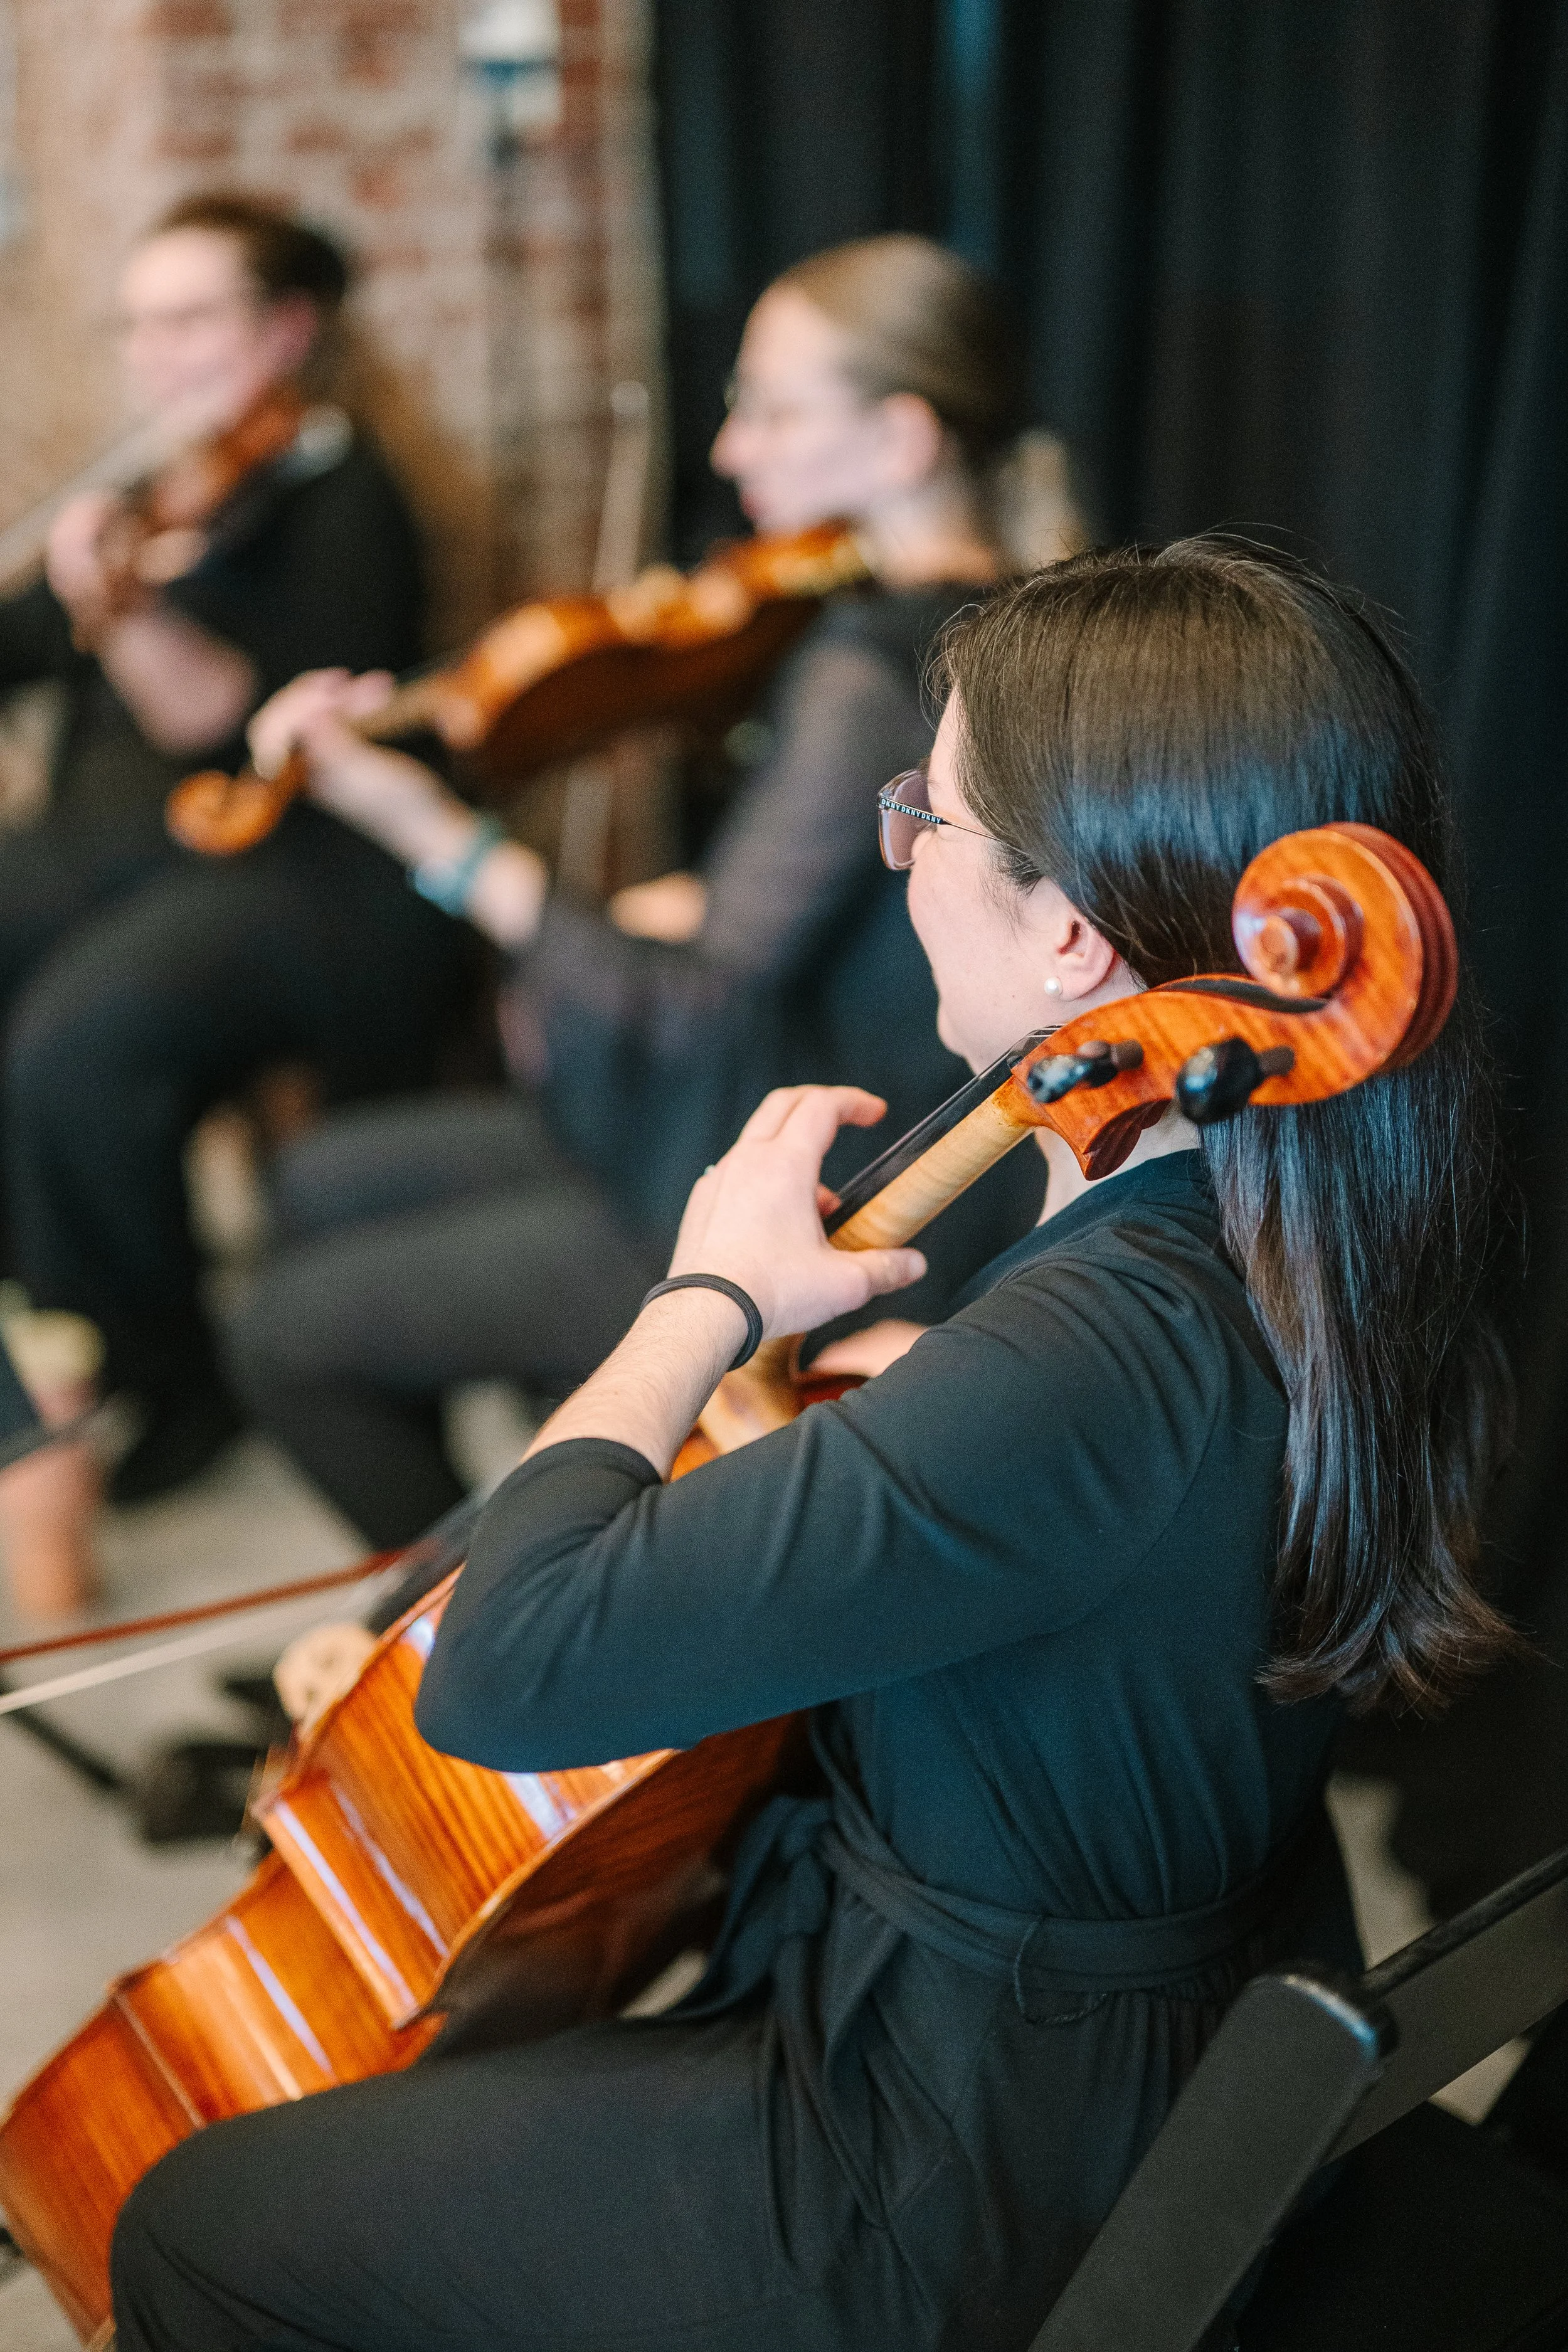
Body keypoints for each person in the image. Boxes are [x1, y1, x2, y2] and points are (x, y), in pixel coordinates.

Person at [111, 539, 1513, 2349]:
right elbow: (1098, 1503)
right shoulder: (1300, 1214)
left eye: (920, 818)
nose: (901, 856)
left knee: (201, 2222)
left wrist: (701, 1293)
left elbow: (507, 1664)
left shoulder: (1087, 1358)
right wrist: (933, 1388)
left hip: (954, 2156)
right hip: (1175, 2011)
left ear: (1072, 934)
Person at [227, 233, 1044, 1571]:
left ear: (902, 439)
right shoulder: (986, 620)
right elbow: (803, 921)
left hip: (814, 1175)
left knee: (285, 1329)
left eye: (772, 409)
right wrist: (690, 901)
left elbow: (687, 1010)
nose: (731, 453)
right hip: (815, 1096)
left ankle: (461, 1617)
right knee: (316, 1178)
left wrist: (420, 825)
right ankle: (539, 1507)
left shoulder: (860, 675)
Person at [0, 193, 472, 1502]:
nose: (158, 352)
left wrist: (125, 606)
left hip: (315, 873)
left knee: (72, 1048)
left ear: (284, 331)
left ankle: (172, 1374)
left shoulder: (341, 494)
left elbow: (222, 724)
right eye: (141, 324)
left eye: (191, 318)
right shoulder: (158, 487)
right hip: (141, 854)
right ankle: (49, 1346)